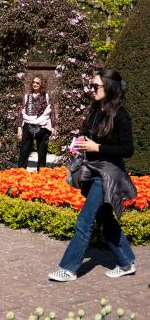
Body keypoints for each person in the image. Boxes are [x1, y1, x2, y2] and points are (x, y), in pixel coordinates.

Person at [48, 70, 136, 282]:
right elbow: (87, 135)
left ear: (109, 87)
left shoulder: (121, 115)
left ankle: (68, 269)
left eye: (96, 86)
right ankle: (126, 262)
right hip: (91, 170)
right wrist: (80, 142)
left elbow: (127, 150)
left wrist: (98, 147)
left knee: (85, 221)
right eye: (92, 86)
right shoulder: (96, 110)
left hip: (106, 175)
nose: (92, 90)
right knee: (105, 218)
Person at [17, 75, 54, 170]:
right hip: (28, 126)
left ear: (42, 84)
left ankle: (41, 175)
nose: (35, 84)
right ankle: (20, 173)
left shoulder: (46, 96)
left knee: (42, 153)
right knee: (24, 151)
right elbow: (21, 112)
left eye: (37, 82)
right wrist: (19, 128)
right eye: (33, 82)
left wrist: (53, 127)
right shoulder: (27, 97)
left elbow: (52, 112)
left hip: (43, 127)